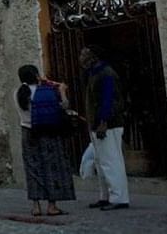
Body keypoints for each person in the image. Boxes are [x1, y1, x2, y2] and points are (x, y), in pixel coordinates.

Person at [15, 64, 75, 217]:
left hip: (27, 131)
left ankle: (36, 206)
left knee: (33, 168)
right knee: (51, 166)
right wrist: (61, 91)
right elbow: (64, 106)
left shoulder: (18, 93)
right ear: (36, 75)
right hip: (48, 131)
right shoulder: (46, 91)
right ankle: (52, 205)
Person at [80, 46, 129, 211]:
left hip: (108, 124)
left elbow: (109, 100)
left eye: (84, 54)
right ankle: (105, 196)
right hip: (97, 124)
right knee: (101, 162)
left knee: (111, 161)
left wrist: (103, 121)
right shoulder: (94, 74)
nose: (81, 57)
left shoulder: (106, 74)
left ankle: (119, 197)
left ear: (93, 56)